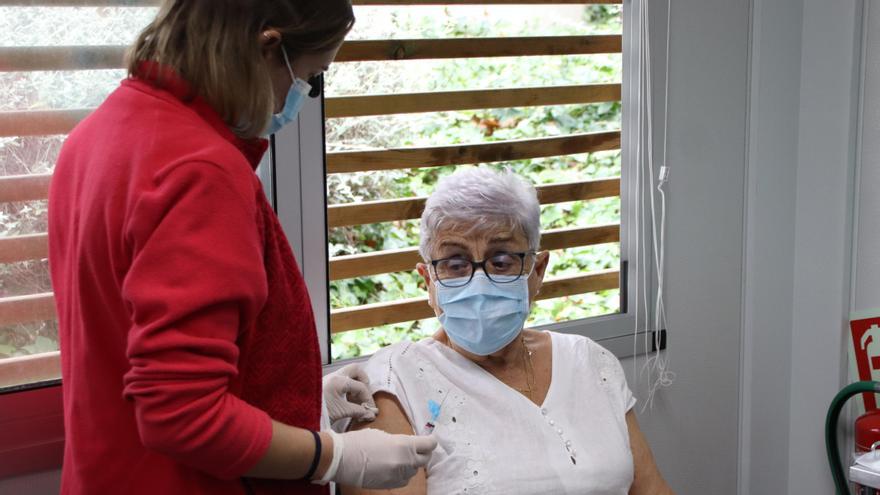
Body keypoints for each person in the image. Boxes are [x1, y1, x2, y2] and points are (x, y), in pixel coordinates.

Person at [47, 1, 435, 494]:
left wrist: (294, 403)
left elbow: (139, 351)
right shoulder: (201, 172)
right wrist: (336, 456)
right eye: (311, 76)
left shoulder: (98, 134)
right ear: (268, 46)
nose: (300, 99)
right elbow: (182, 414)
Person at [340, 167, 675, 495]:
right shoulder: (395, 384)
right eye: (455, 264)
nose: (479, 282)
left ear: (537, 271)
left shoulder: (590, 361)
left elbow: (651, 488)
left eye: (501, 260)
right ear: (428, 280)